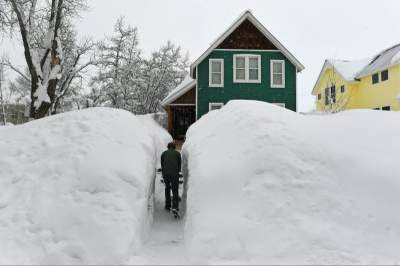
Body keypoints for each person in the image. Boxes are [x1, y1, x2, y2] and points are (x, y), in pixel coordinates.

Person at [161, 142, 182, 214]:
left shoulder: (163, 153)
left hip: (166, 174)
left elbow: (162, 164)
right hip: (174, 174)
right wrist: (178, 171)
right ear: (174, 147)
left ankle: (167, 206)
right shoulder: (177, 153)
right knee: (175, 189)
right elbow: (179, 165)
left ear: (168, 147)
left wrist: (164, 173)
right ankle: (175, 207)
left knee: (167, 188)